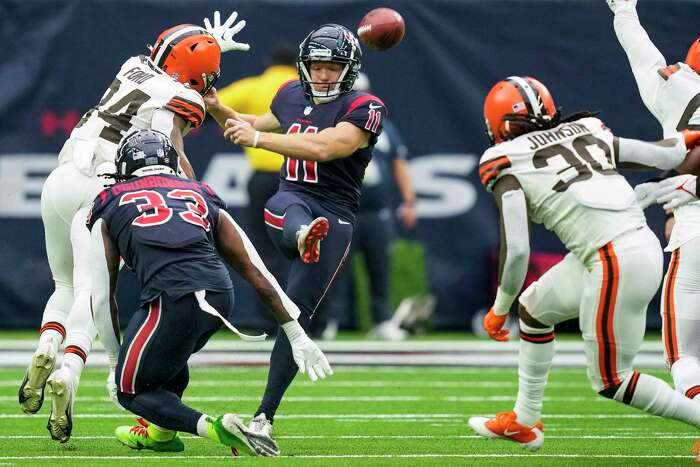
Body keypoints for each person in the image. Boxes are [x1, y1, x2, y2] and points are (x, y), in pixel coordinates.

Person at [18, 11, 249, 442]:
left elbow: (172, 66)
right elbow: (172, 147)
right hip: (102, 190)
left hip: (62, 176)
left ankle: (47, 344)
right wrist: (192, 193)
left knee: (63, 285)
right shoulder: (187, 98)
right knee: (92, 291)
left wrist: (201, 42)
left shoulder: (132, 64)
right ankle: (69, 368)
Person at [466, 76, 700, 451]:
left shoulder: (503, 159)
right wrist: (686, 139)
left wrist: (498, 307)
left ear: (501, 127)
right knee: (534, 311)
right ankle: (525, 420)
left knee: (612, 380)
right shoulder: (587, 129)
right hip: (621, 250)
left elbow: (518, 248)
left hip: (614, 259)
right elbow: (663, 155)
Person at [88, 129, 331, 456]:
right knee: (167, 358)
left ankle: (216, 427)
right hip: (219, 296)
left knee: (129, 391)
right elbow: (254, 269)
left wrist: (115, 362)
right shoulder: (199, 193)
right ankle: (160, 436)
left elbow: (102, 298)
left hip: (171, 297)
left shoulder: (111, 200)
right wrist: (295, 331)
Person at [204, 23, 387, 439]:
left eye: (333, 67)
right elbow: (255, 122)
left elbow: (326, 147)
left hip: (337, 213)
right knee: (283, 203)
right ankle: (303, 233)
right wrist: (217, 107)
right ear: (304, 66)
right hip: (292, 199)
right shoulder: (289, 94)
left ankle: (264, 417)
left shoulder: (366, 106)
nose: (323, 75)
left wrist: (258, 140)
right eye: (317, 66)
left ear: (350, 69)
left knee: (296, 318)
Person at [607, 0, 700, 402]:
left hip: (694, 228)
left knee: (683, 355)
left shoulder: (676, 86)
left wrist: (624, 10)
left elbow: (643, 55)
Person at [318, 72, 417, 341]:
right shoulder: (331, 123)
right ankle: (328, 321)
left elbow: (397, 161)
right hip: (342, 208)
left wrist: (408, 200)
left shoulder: (384, 127)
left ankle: (383, 320)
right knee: (334, 269)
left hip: (376, 211)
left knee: (380, 267)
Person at [216, 46, 298, 330]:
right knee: (300, 250)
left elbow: (214, 105)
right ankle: (309, 317)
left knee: (264, 252)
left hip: (264, 178)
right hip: (299, 176)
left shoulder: (256, 86)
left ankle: (270, 320)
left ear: (269, 62)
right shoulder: (302, 90)